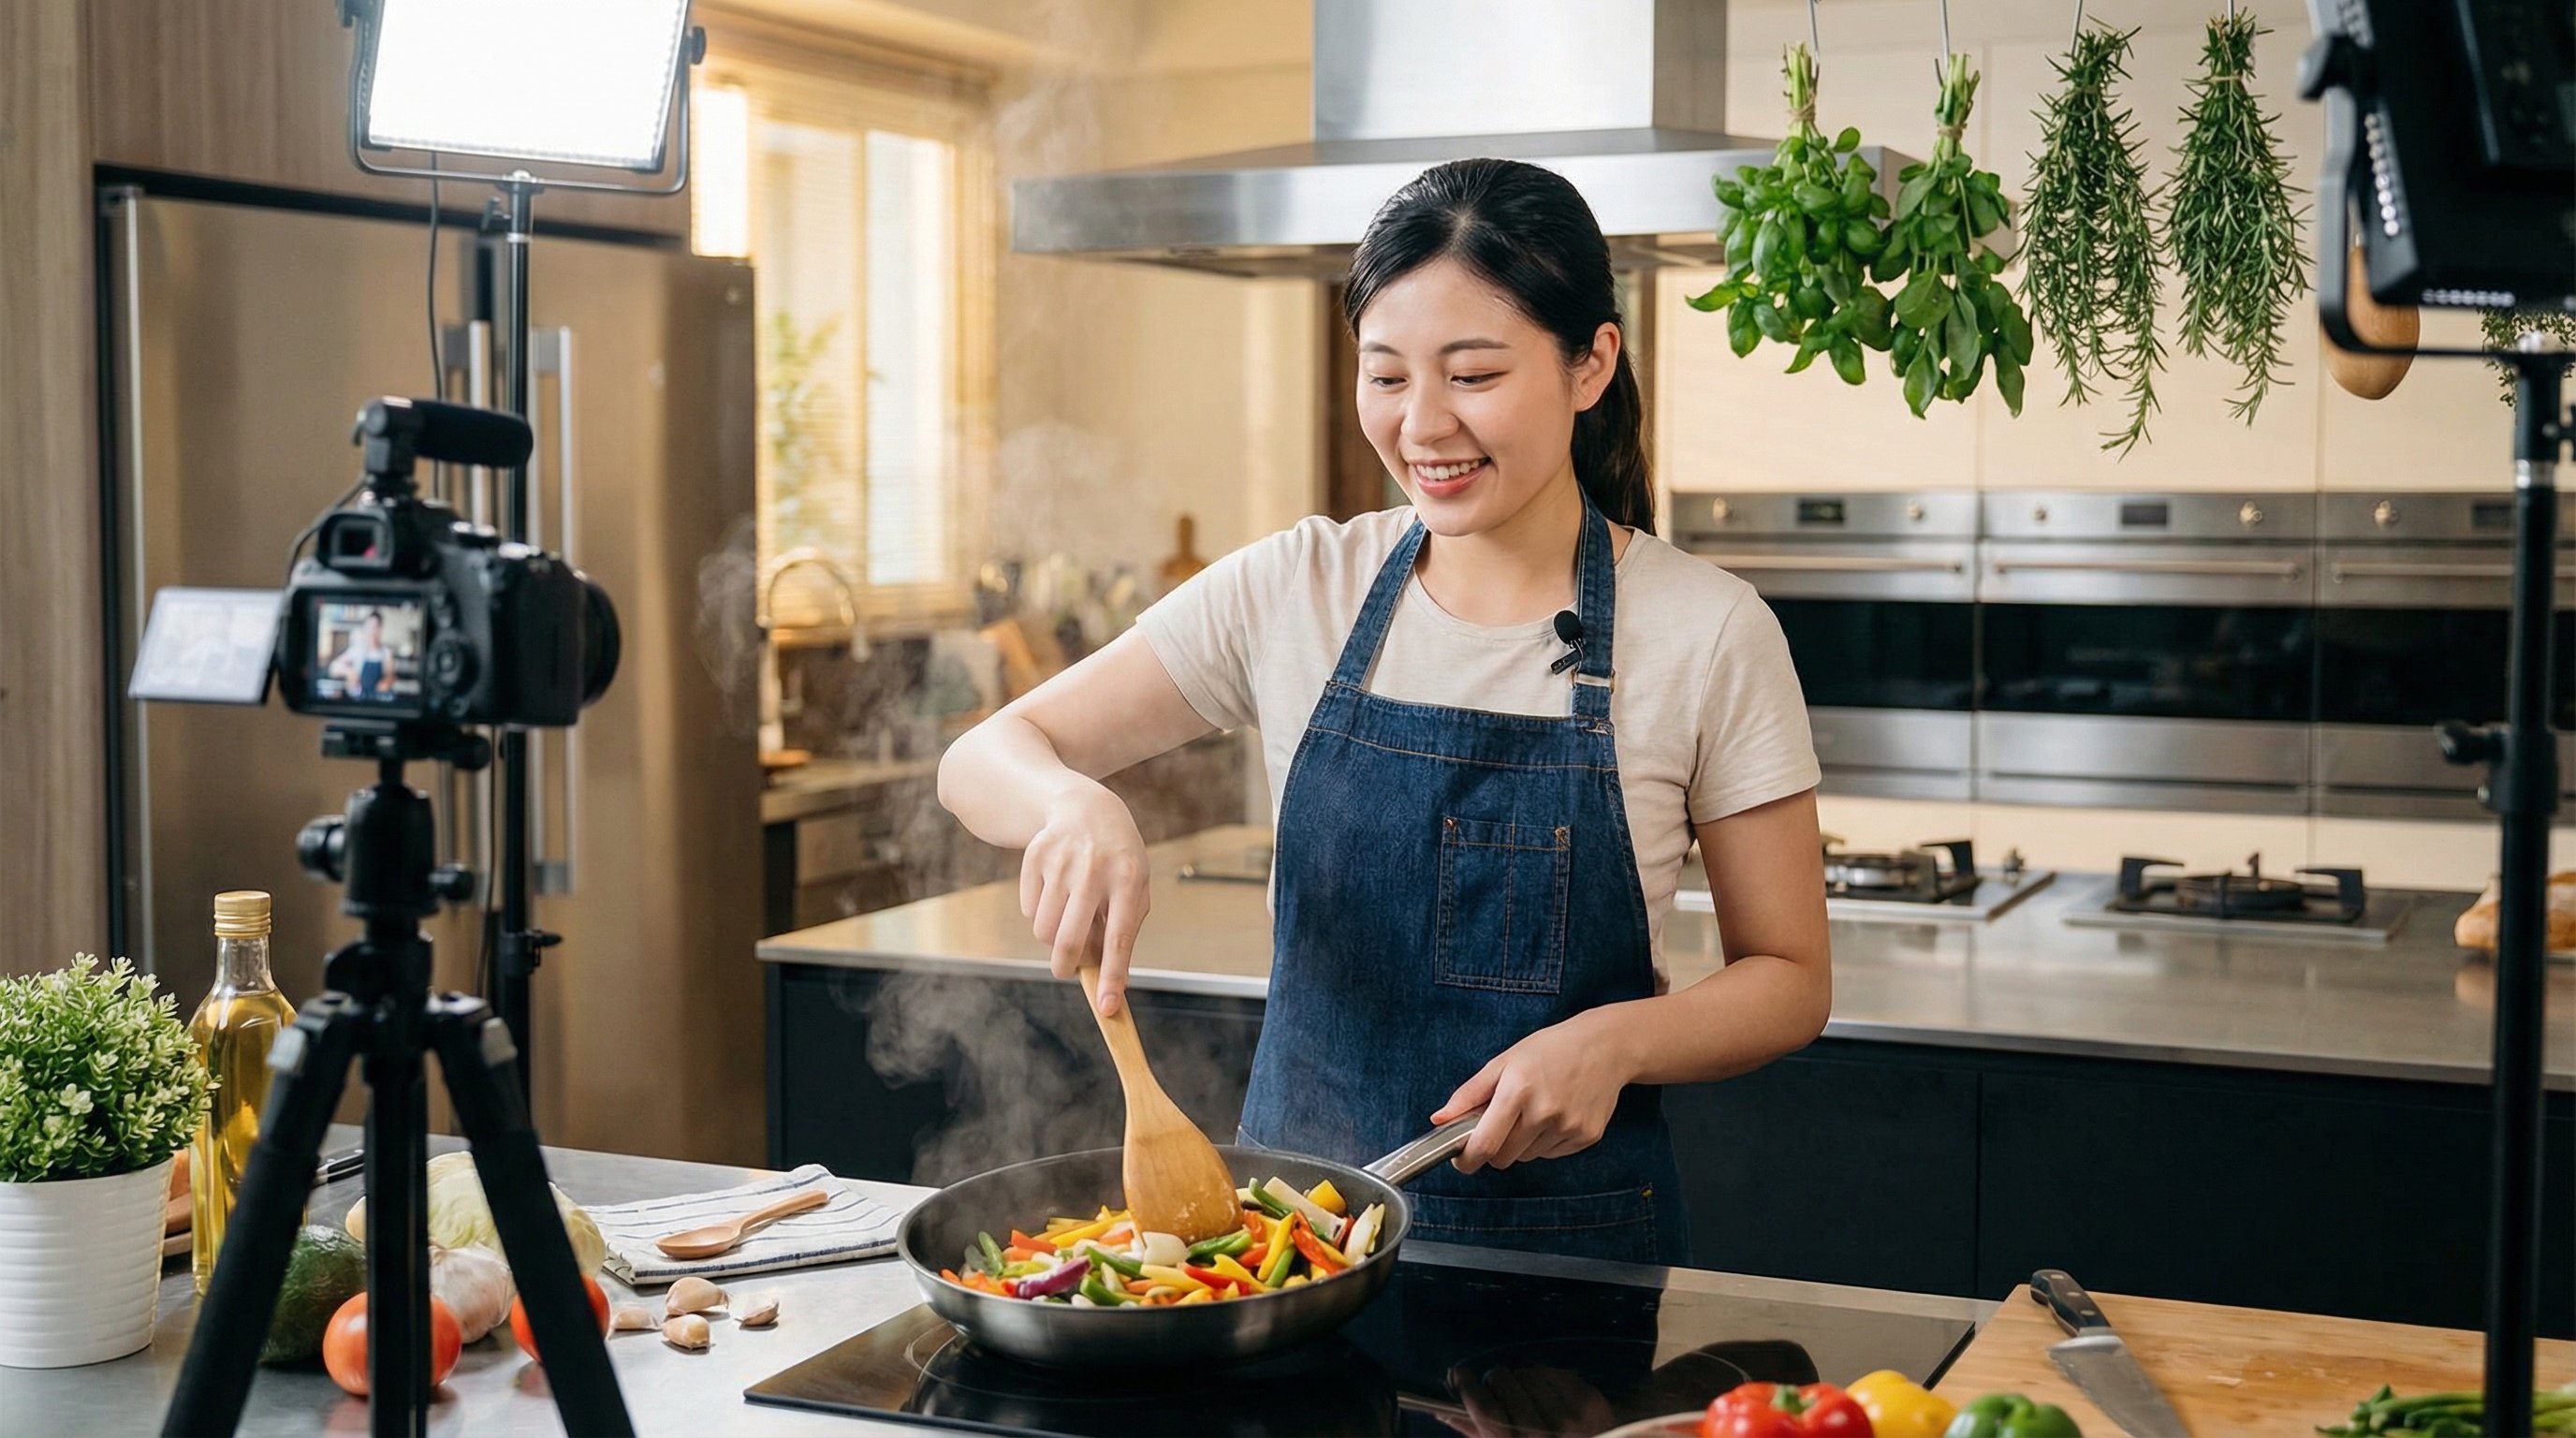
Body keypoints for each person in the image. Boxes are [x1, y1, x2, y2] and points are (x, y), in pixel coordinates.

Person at [938, 157, 1829, 1265]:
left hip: (1564, 1253)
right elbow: (985, 755)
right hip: (1282, 1248)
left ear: (1591, 362)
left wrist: (1616, 1042)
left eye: (1472, 374)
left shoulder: (1707, 630)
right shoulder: (1295, 586)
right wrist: (1069, 804)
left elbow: (1788, 980)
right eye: (1386, 375)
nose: (1423, 426)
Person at [327, 609, 391, 699]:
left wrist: (387, 682)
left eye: (375, 627)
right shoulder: (357, 649)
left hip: (378, 700)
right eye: (369, 627)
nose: (372, 631)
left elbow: (390, 675)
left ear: (380, 629)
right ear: (365, 628)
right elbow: (333, 668)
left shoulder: (386, 652)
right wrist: (349, 672)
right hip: (358, 699)